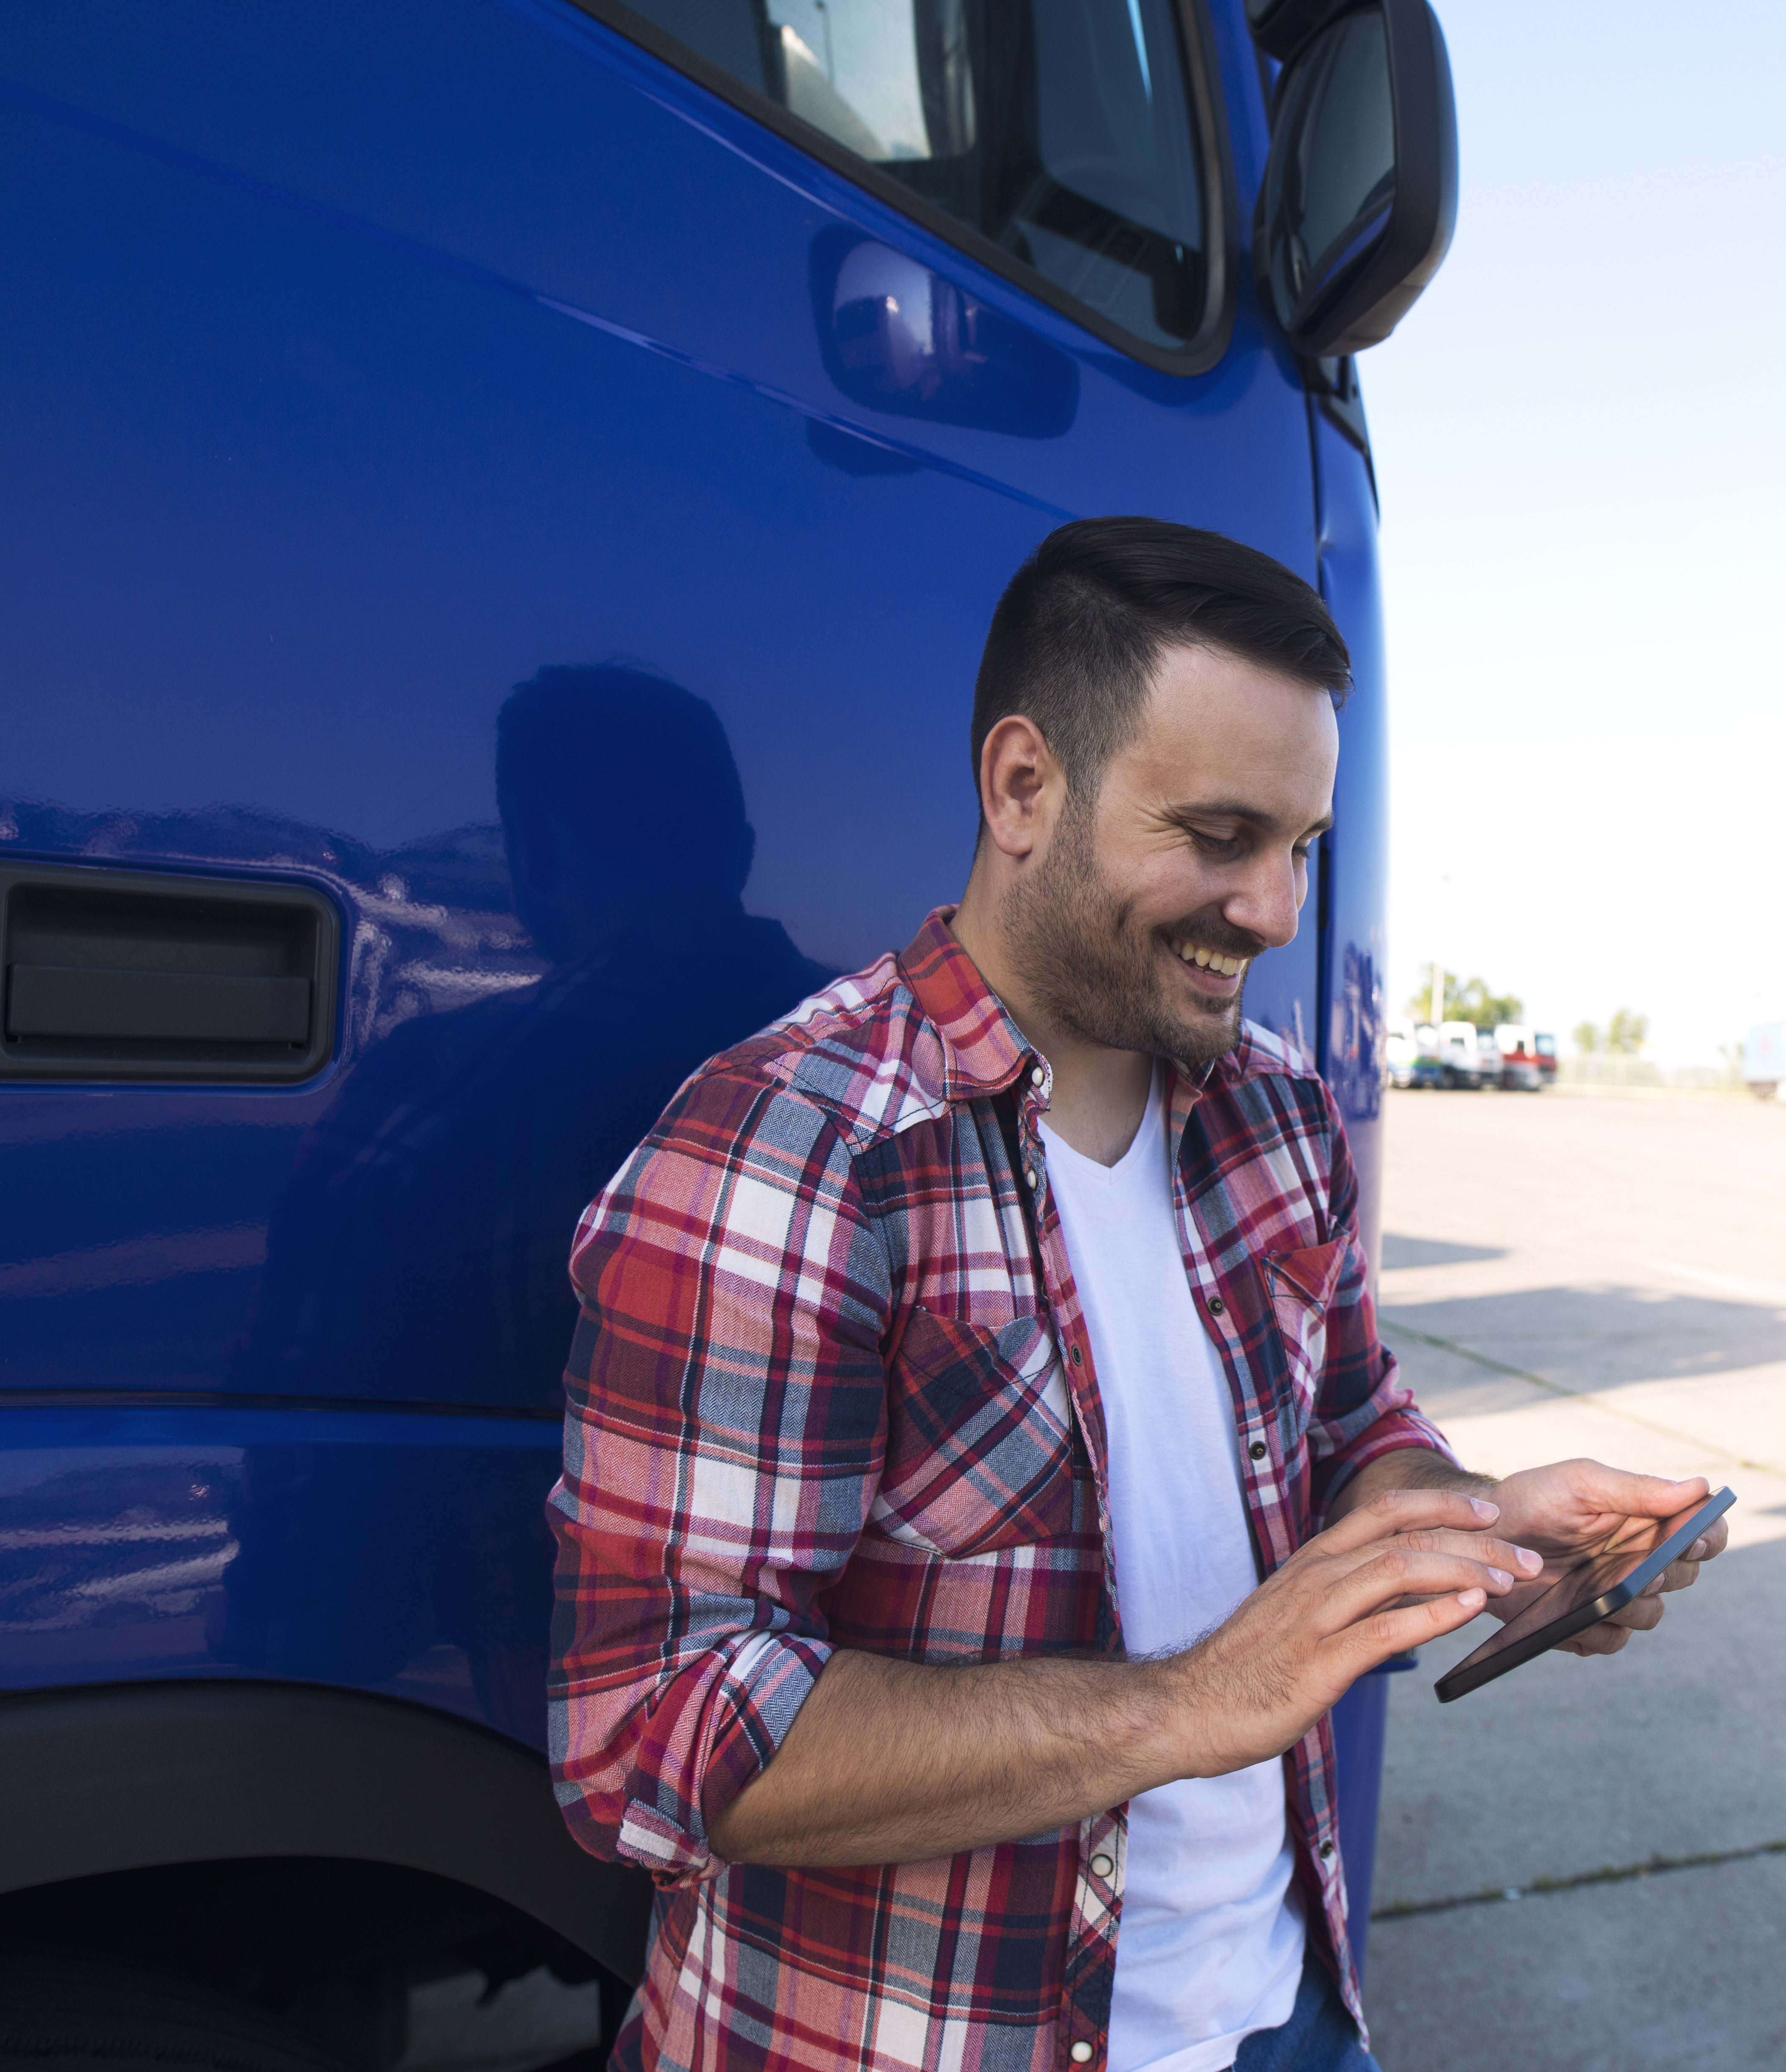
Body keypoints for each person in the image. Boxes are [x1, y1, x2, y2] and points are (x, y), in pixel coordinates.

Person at [547, 518, 1726, 2072]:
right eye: (1222, 834)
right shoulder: (791, 1157)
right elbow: (658, 1733)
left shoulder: (1279, 1115)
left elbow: (1354, 1423)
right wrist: (1193, 1704)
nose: (1277, 910)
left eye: (1301, 844)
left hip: (1282, 2013)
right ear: (1023, 785)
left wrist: (1480, 1517)